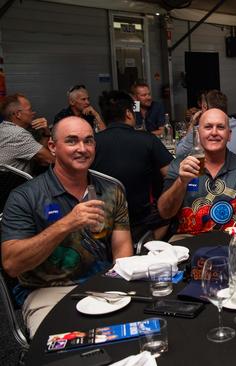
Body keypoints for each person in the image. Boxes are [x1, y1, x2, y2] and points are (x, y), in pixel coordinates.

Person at [1, 116, 133, 337]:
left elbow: (122, 249)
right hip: (48, 292)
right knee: (68, 348)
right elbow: (12, 264)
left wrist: (118, 286)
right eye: (72, 141)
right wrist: (66, 224)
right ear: (52, 147)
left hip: (102, 285)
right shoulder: (25, 196)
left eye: (88, 141)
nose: (82, 148)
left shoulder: (111, 190)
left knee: (134, 333)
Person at [157, 108, 236, 237]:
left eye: (220, 127)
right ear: (198, 133)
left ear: (229, 135)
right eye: (208, 127)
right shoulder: (180, 166)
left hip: (231, 242)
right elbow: (165, 213)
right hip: (186, 244)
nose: (214, 132)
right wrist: (181, 182)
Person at [93, 90, 174, 241]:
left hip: (103, 220)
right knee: (171, 210)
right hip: (141, 220)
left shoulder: (91, 144)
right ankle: (146, 246)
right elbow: (172, 173)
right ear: (129, 114)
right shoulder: (148, 140)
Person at [176, 90, 236, 158]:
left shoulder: (198, 131)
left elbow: (179, 153)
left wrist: (192, 123)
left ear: (205, 107)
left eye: (202, 107)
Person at [0, 93, 55, 175]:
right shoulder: (18, 134)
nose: (33, 113)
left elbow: (37, 153)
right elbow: (49, 160)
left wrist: (46, 132)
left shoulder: (4, 128)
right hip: (17, 186)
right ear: (18, 114)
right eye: (29, 109)